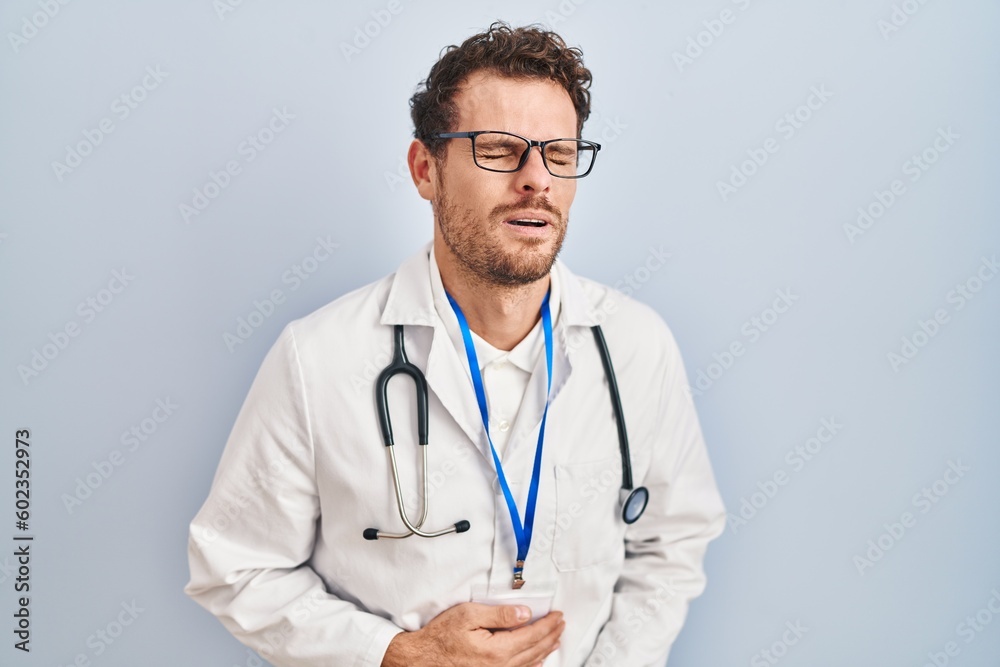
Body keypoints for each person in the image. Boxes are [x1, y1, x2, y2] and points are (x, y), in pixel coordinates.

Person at [185, 21, 726, 667]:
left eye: (558, 153)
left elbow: (673, 543)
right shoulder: (318, 359)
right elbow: (234, 566)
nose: (536, 180)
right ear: (425, 169)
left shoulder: (637, 347)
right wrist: (392, 653)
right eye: (499, 149)